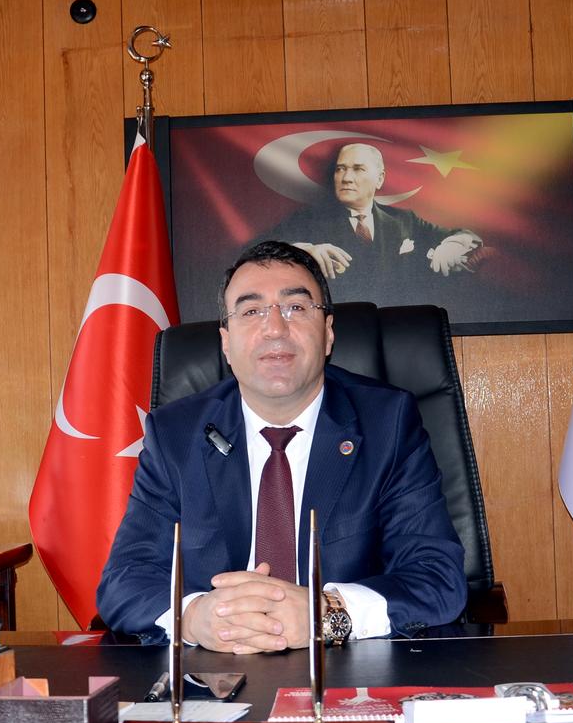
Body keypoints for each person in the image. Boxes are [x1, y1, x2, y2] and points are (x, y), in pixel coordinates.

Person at [96, 240, 467, 652]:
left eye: (296, 307)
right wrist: (195, 618)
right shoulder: (175, 433)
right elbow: (125, 580)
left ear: (327, 333)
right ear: (226, 343)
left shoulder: (388, 424)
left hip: (346, 667)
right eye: (251, 311)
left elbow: (437, 577)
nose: (274, 328)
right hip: (214, 670)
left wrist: (325, 612)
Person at [269, 143, 483, 289]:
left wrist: (452, 246)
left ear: (379, 179)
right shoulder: (308, 219)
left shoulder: (404, 220)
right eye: (340, 169)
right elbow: (259, 250)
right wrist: (303, 252)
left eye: (358, 169)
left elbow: (465, 235)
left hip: (396, 324)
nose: (346, 178)